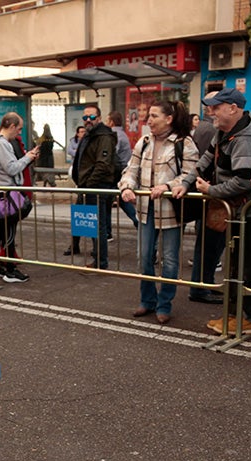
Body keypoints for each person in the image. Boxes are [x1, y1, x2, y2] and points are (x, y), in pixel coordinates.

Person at [173, 87, 251, 335]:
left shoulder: (247, 138)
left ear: (233, 109)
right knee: (234, 266)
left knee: (247, 266)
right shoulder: (223, 132)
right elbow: (203, 162)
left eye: (216, 107)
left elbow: (244, 181)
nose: (210, 111)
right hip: (235, 209)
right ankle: (233, 314)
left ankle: (247, 317)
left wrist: (211, 190)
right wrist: (185, 183)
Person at [118, 100, 198, 324]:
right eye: (149, 116)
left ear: (169, 119)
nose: (149, 120)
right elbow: (130, 169)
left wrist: (168, 186)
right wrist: (126, 187)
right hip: (144, 209)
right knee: (143, 257)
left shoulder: (185, 143)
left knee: (170, 260)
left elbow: (190, 175)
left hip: (170, 209)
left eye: (154, 116)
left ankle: (165, 304)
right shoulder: (143, 142)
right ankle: (147, 301)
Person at [187, 90, 225, 305]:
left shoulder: (205, 128)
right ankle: (202, 287)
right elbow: (204, 162)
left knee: (209, 244)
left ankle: (205, 284)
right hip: (211, 193)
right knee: (209, 245)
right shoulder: (210, 129)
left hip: (209, 192)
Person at [71, 103, 118, 269]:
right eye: (85, 117)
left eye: (91, 117)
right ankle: (95, 256)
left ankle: (101, 261)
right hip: (87, 186)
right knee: (90, 224)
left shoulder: (103, 136)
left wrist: (89, 184)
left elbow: (103, 164)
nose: (88, 120)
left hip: (96, 187)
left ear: (98, 118)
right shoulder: (90, 135)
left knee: (98, 227)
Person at [0, 112, 38, 283]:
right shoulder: (3, 144)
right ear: (11, 126)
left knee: (0, 234)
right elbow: (12, 169)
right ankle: (9, 270)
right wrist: (27, 158)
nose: (19, 133)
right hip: (7, 195)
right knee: (8, 233)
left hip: (1, 195)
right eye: (19, 129)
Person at [106, 110, 139, 227]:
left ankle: (107, 232)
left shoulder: (114, 135)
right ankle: (136, 220)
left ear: (111, 122)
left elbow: (112, 152)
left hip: (118, 171)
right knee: (120, 199)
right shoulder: (122, 133)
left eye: (107, 120)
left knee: (107, 201)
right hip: (121, 170)